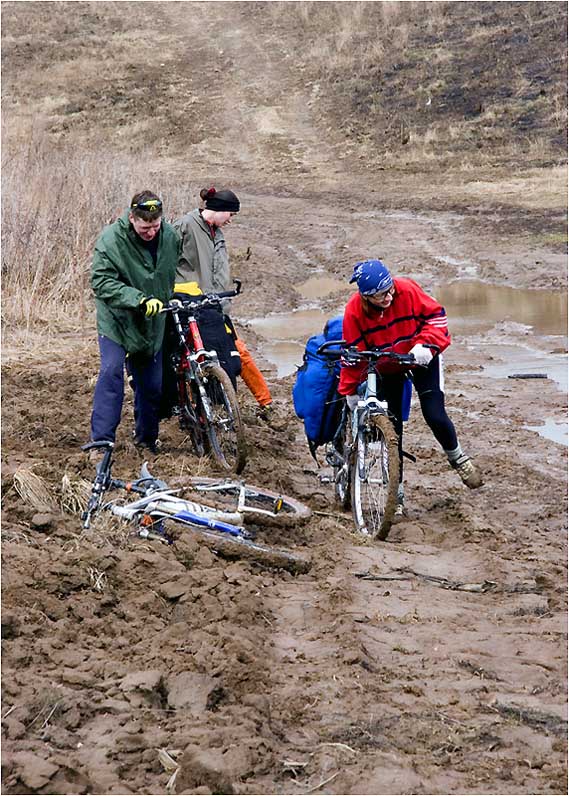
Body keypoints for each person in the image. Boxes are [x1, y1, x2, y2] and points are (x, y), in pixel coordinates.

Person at [338, 258, 483, 514]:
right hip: (387, 366)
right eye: (381, 295)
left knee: (434, 414)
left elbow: (437, 318)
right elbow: (352, 356)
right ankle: (397, 495)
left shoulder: (407, 290)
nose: (389, 297)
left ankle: (458, 458)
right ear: (366, 296)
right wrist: (349, 392)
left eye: (390, 289)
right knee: (392, 430)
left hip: (420, 356)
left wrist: (425, 345)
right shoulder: (354, 312)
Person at [88, 190, 180, 456]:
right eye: (144, 228)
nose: (150, 232)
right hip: (117, 320)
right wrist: (137, 299)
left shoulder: (171, 237)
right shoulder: (111, 240)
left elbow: (170, 275)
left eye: (155, 226)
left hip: (152, 322)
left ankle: (147, 440)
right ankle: (102, 442)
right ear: (131, 218)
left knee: (151, 385)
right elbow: (101, 282)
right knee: (111, 373)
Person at [173, 186, 276, 421]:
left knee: (237, 352)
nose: (231, 220)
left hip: (214, 307)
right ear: (219, 210)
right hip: (188, 306)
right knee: (189, 360)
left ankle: (265, 403)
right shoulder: (185, 226)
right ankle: (191, 409)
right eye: (231, 215)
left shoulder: (217, 234)